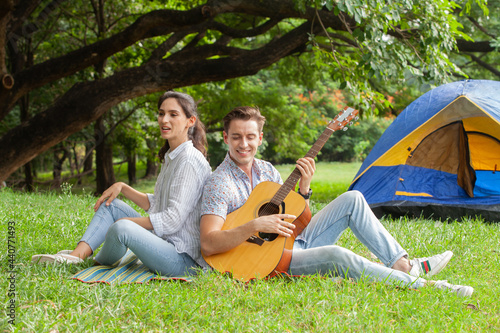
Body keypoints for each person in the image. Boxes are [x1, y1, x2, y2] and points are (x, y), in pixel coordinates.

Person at [199, 106, 473, 296]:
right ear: (225, 138)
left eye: (250, 136)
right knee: (337, 255)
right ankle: (425, 286)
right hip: (264, 262)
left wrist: (304, 190)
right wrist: (254, 224)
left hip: (292, 242)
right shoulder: (219, 182)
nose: (243, 144)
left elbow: (297, 222)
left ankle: (402, 264)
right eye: (236, 137)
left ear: (259, 138)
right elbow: (209, 244)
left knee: (353, 198)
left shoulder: (267, 170)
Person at [32, 91, 211, 277]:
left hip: (182, 259)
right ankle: (75, 257)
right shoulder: (172, 156)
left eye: (173, 114)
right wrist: (122, 187)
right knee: (111, 206)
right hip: (164, 243)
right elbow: (159, 203)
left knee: (122, 227)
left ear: (190, 121)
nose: (164, 120)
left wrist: (126, 222)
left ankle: (96, 262)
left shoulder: (188, 160)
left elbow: (171, 220)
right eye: (161, 113)